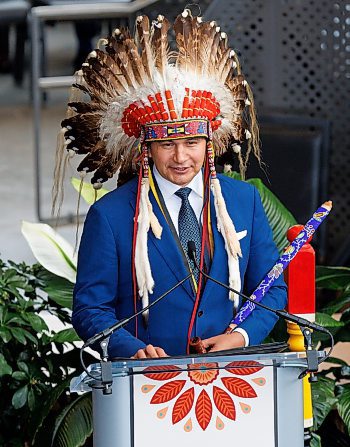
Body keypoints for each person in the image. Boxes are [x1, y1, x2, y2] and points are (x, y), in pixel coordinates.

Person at [56, 10, 287, 359]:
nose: (181, 157)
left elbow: (271, 288)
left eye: (192, 143)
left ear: (209, 144)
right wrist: (130, 349)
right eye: (167, 144)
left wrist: (239, 336)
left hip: (229, 376)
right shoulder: (111, 215)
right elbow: (90, 310)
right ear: (145, 148)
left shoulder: (244, 200)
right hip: (146, 383)